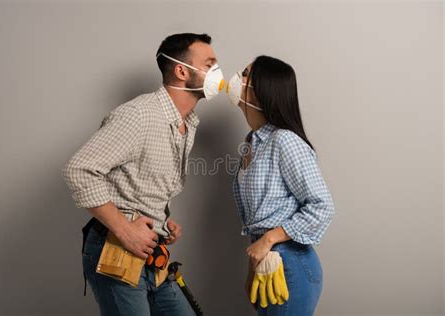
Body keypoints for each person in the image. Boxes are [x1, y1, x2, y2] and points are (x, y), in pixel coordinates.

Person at [62, 33, 224, 316]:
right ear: (182, 70)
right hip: (116, 249)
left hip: (150, 254)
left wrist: (161, 222)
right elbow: (79, 169)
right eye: (209, 64)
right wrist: (125, 229)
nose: (217, 73)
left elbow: (136, 182)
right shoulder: (140, 115)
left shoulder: (186, 124)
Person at [227, 55, 335, 316]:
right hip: (266, 263)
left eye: (245, 73)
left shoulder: (284, 141)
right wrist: (251, 270)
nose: (236, 78)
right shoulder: (253, 143)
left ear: (261, 89)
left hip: (290, 265)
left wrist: (269, 240)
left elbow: (323, 206)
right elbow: (259, 220)